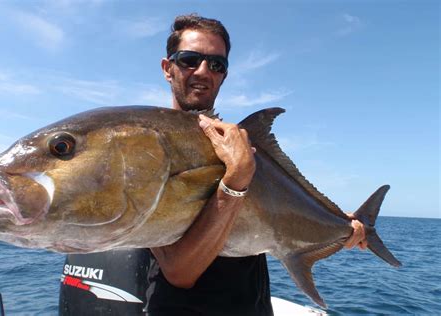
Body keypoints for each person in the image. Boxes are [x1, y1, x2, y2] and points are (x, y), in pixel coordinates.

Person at [144, 14, 367, 316]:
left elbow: (280, 212)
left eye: (216, 64)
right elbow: (179, 273)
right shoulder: (152, 150)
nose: (203, 71)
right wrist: (236, 181)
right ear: (167, 68)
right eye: (189, 59)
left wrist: (339, 224)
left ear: (224, 75)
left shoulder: (243, 146)